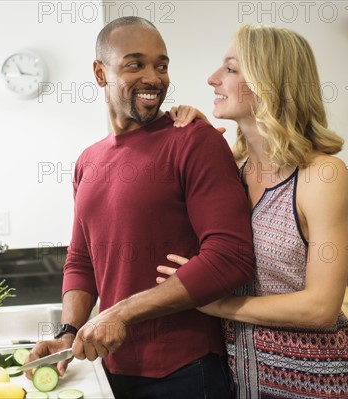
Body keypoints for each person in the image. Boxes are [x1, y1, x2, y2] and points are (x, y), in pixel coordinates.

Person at [26, 17, 256, 399]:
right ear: (101, 73)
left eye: (161, 66)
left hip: (186, 372)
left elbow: (231, 257)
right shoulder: (88, 161)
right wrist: (67, 332)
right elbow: (82, 260)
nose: (154, 77)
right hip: (111, 370)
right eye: (135, 64)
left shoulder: (194, 141)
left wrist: (120, 313)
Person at [159, 24, 348, 399]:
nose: (212, 79)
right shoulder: (229, 169)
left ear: (270, 82)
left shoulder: (320, 175)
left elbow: (321, 307)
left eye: (231, 69)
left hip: (318, 388)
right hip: (242, 385)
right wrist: (197, 139)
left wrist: (218, 304)